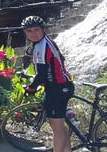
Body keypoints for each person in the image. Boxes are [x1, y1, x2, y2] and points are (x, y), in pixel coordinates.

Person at [21, 15, 74, 152]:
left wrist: (31, 88)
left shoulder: (42, 46)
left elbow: (42, 73)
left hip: (57, 88)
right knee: (59, 125)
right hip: (61, 86)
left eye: (36, 30)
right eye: (29, 31)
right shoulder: (44, 42)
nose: (33, 34)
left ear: (43, 29)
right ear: (25, 32)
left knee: (57, 127)